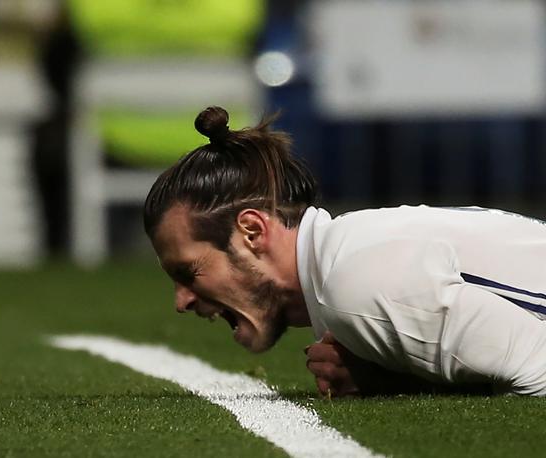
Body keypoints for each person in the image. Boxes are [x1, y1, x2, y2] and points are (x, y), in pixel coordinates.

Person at [143, 106, 546, 397]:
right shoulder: (353, 257)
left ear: (251, 231)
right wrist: (389, 378)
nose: (182, 301)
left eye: (188, 271)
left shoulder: (358, 285)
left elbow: (539, 373)